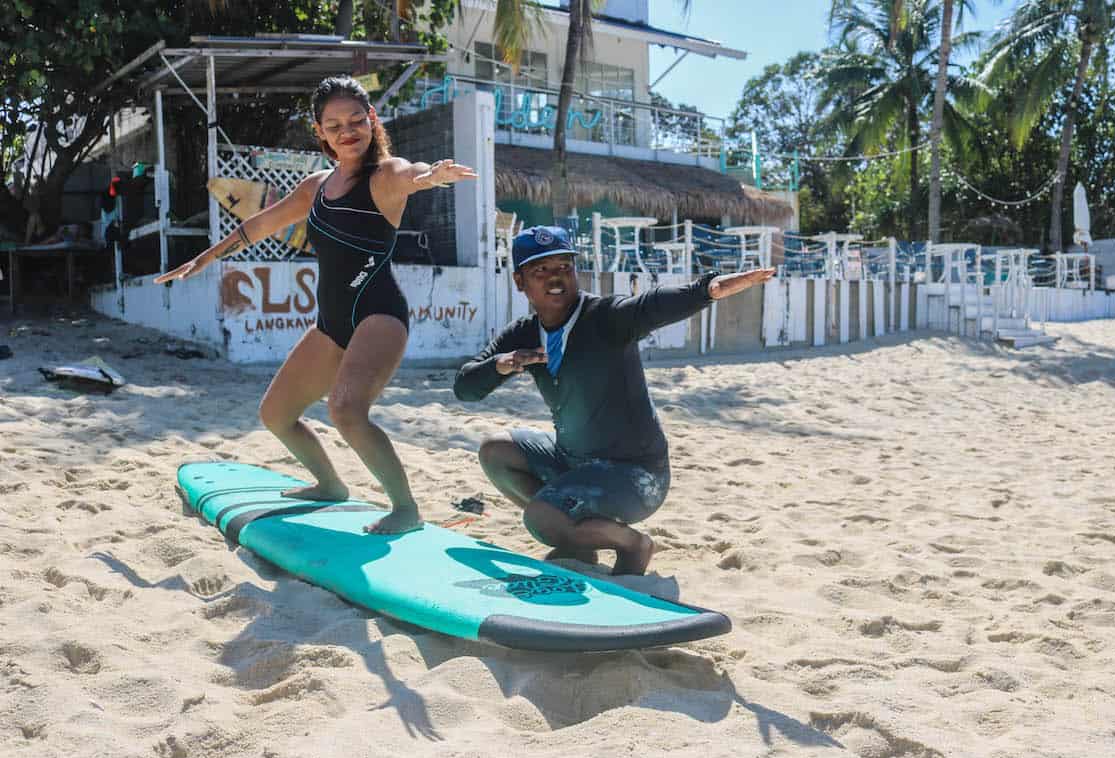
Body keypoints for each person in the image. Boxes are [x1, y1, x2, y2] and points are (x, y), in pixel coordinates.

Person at [156, 75, 476, 533]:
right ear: (320, 132)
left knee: (346, 410)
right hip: (331, 323)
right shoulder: (315, 187)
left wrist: (432, 177)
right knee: (276, 415)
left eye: (355, 120)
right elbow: (259, 226)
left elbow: (413, 174)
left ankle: (405, 509)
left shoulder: (386, 177)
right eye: (334, 124)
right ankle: (330, 485)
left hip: (379, 314)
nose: (347, 131)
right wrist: (204, 258)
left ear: (371, 121)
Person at [453, 226, 774, 575]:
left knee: (540, 518)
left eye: (564, 267)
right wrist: (503, 364)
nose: (555, 278)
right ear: (519, 281)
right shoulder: (525, 333)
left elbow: (651, 306)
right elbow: (466, 387)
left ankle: (634, 544)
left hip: (634, 475)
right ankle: (577, 538)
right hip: (573, 459)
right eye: (540, 271)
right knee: (494, 451)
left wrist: (707, 290)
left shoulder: (605, 317)